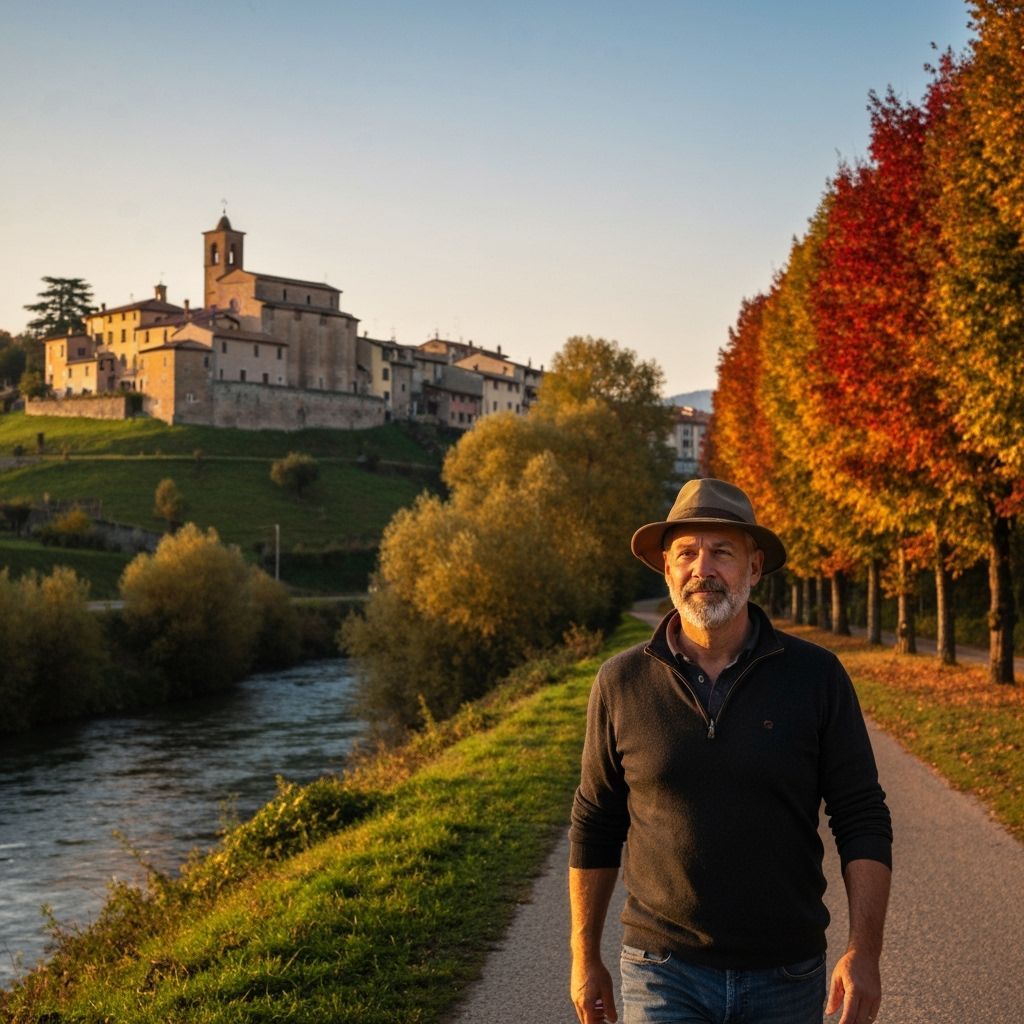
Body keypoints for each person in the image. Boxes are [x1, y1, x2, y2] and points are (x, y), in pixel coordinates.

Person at [569, 478, 892, 1024]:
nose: (703, 569)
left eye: (722, 552)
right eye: (687, 553)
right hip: (660, 967)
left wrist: (866, 951)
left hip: (787, 973)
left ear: (755, 568)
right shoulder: (620, 681)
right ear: (667, 570)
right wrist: (584, 959)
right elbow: (596, 821)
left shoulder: (816, 677)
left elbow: (861, 816)